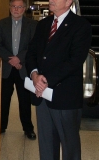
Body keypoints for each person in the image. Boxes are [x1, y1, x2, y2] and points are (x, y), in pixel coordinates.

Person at [25, 0, 91, 159]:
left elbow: (75, 61)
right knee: (46, 145)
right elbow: (31, 53)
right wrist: (34, 74)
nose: (51, 0)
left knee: (70, 146)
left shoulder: (81, 25)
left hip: (65, 97)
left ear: (69, 2)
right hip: (42, 96)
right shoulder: (43, 24)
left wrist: (46, 80)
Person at [0, 0, 37, 140]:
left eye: (19, 7)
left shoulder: (32, 25)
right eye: (14, 6)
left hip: (23, 68)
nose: (16, 9)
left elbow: (33, 46)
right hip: (7, 68)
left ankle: (28, 128)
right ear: (10, 8)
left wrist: (19, 59)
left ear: (24, 9)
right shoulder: (1, 24)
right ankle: (1, 127)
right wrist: (11, 59)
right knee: (4, 100)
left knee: (24, 100)